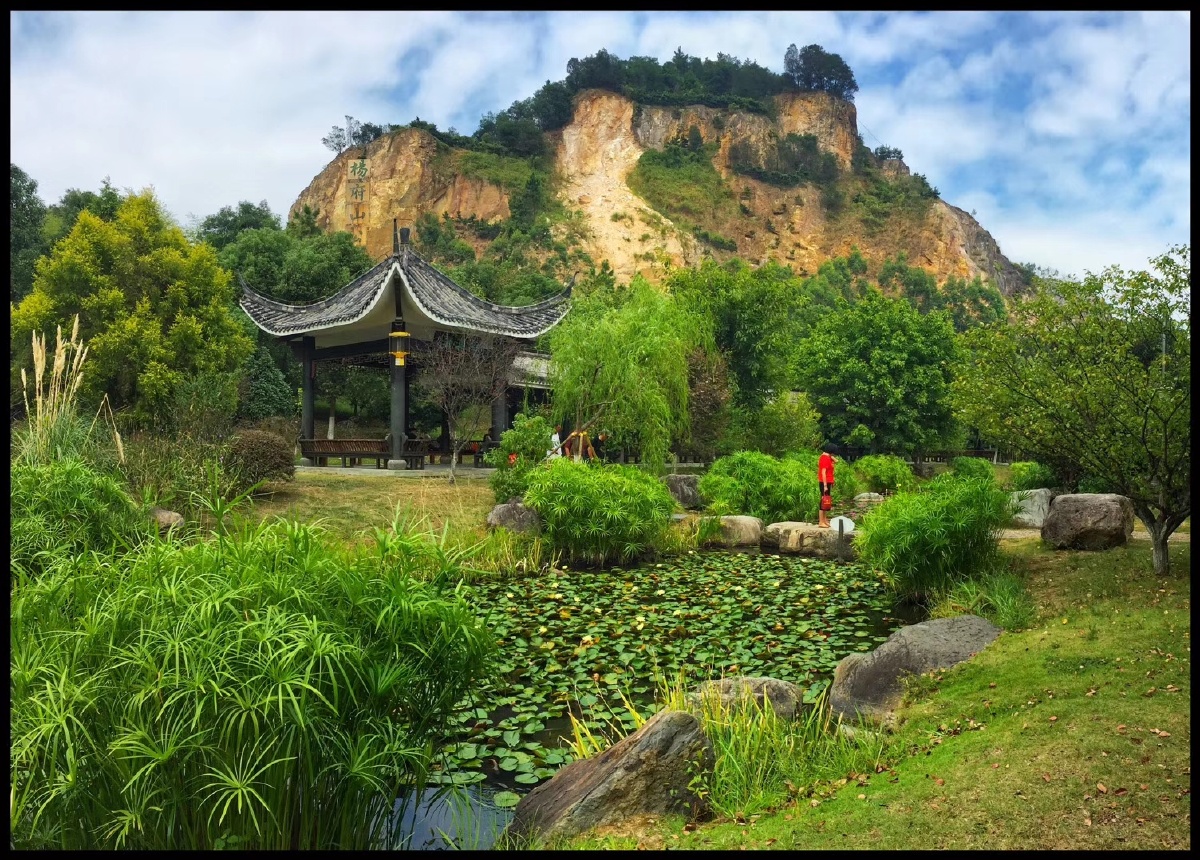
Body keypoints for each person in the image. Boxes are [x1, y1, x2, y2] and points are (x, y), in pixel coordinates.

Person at [818, 444, 836, 528]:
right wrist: (825, 485)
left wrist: (830, 456)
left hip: (828, 482)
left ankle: (824, 520)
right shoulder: (824, 458)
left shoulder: (827, 457)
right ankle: (821, 522)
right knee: (823, 500)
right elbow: (823, 472)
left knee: (826, 501)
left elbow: (836, 461)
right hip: (824, 482)